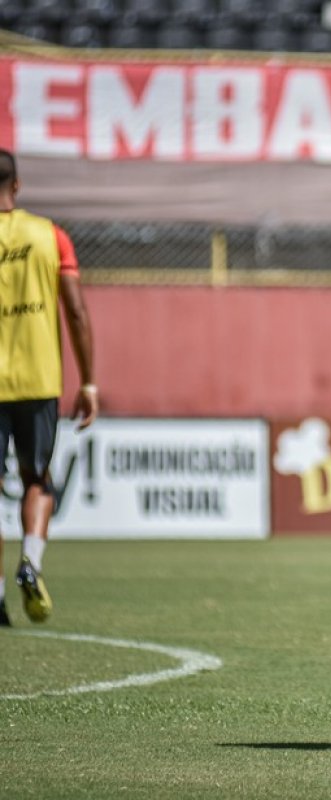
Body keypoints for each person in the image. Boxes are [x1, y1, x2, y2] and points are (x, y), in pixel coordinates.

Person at [0, 149, 98, 627]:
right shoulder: (49, 235)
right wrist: (90, 382)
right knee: (37, 480)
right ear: (16, 186)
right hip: (38, 380)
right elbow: (76, 312)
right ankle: (31, 564)